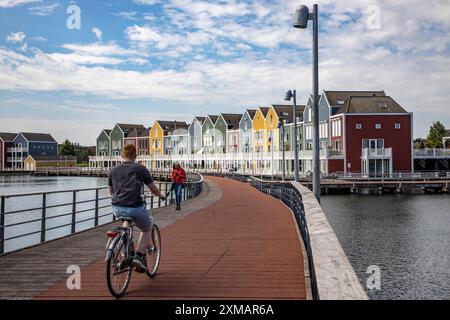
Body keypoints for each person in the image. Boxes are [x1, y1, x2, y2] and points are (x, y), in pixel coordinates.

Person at [108, 144, 165, 273]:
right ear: (135, 155)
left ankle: (125, 253)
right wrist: (161, 195)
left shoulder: (113, 169)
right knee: (147, 228)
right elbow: (152, 188)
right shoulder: (140, 169)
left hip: (117, 207)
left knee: (126, 224)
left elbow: (111, 191)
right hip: (135, 207)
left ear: (122, 155)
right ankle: (139, 256)